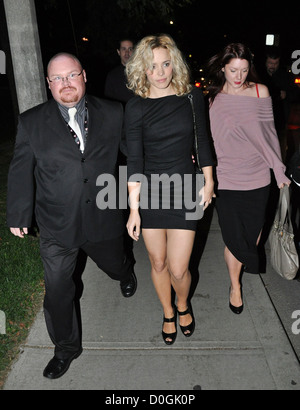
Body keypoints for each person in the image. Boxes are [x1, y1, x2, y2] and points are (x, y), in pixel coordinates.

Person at [6, 52, 137, 379]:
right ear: (49, 84)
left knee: (115, 264)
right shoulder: (31, 121)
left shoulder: (113, 112)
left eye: (72, 75)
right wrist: (18, 213)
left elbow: (134, 152)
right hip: (56, 224)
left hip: (104, 217)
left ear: (84, 76)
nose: (66, 83)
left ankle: (125, 273)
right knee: (58, 290)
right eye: (58, 78)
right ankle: (66, 348)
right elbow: (21, 169)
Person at [124, 34, 215, 345]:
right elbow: (134, 159)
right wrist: (133, 209)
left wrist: (209, 180)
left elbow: (203, 142)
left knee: (178, 269)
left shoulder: (191, 98)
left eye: (165, 64)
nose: (160, 72)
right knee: (158, 262)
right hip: (150, 191)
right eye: (152, 67)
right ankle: (167, 312)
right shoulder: (135, 108)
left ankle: (182, 303)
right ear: (142, 70)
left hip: (185, 187)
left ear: (173, 63)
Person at [207, 43, 291, 314]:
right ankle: (235, 286)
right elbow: (208, 140)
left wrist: (278, 170)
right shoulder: (214, 99)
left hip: (257, 179)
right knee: (234, 239)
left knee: (251, 240)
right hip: (227, 179)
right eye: (233, 70)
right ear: (223, 68)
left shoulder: (260, 92)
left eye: (244, 70)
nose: (239, 76)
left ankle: (239, 275)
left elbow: (268, 136)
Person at [259, 47, 298, 161]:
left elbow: (296, 93)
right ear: (266, 62)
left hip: (279, 124)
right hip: (261, 123)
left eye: (275, 63)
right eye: (270, 63)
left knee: (279, 155)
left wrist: (286, 95)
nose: (273, 66)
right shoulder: (259, 76)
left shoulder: (285, 77)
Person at [104, 38, 135, 105]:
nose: (127, 53)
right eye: (124, 49)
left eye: (130, 49)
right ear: (118, 52)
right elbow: (108, 103)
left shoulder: (142, 72)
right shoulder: (112, 76)